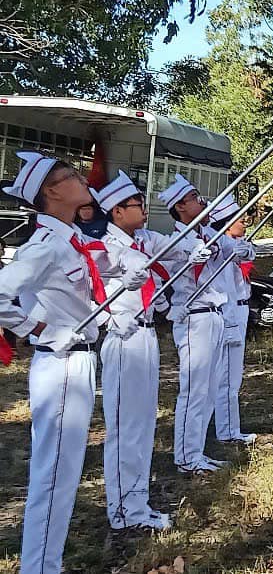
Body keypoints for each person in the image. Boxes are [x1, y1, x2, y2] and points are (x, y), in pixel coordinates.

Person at [0, 153, 147, 573]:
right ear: (50, 192)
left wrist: (110, 309)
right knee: (54, 477)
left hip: (77, 361)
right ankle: (39, 567)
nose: (81, 179)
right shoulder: (45, 245)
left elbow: (78, 297)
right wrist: (38, 328)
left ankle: (48, 561)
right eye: (69, 176)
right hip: (60, 363)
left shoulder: (69, 240)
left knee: (64, 474)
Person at [94, 171, 183, 531]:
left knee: (144, 424)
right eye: (137, 205)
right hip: (124, 339)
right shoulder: (104, 249)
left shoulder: (143, 240)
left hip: (146, 335)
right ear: (117, 212)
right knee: (125, 428)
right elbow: (86, 284)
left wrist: (197, 251)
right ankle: (123, 512)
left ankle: (136, 504)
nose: (144, 210)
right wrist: (107, 316)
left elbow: (175, 248)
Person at [160, 174, 237, 473]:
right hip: (194, 319)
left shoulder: (208, 235)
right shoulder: (175, 241)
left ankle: (196, 451)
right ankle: (185, 456)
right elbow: (157, 270)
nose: (200, 201)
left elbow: (229, 253)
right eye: (193, 198)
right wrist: (167, 307)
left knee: (208, 388)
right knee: (193, 390)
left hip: (214, 314)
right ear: (180, 206)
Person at [207, 195, 257, 445]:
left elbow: (250, 254)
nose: (244, 222)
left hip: (242, 308)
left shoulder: (237, 244)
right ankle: (226, 431)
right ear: (226, 223)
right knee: (226, 374)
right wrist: (229, 321)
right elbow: (223, 286)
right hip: (230, 309)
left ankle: (230, 427)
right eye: (239, 218)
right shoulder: (219, 248)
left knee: (233, 373)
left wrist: (246, 249)